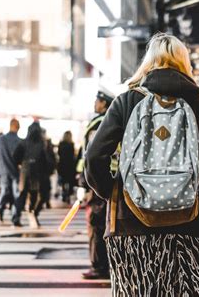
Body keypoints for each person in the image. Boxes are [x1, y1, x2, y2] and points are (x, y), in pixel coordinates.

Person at [84, 33, 199, 296]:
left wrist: (114, 191)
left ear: (148, 62)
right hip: (187, 220)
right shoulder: (197, 102)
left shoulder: (127, 101)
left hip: (131, 222)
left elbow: (94, 156)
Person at [76, 87, 114, 280]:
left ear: (104, 103)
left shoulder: (100, 124)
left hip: (97, 181)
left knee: (96, 223)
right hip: (105, 178)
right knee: (103, 222)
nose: (95, 103)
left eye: (97, 100)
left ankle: (99, 265)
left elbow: (92, 155)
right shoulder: (109, 122)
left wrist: (83, 182)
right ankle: (104, 264)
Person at [13, 121, 48, 229]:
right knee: (34, 194)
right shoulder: (42, 144)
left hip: (25, 170)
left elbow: (15, 156)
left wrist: (20, 164)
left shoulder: (23, 143)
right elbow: (45, 161)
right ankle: (32, 212)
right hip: (36, 172)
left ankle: (16, 218)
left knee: (22, 194)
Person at [0, 119, 22, 227]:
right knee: (16, 194)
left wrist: (1, 159)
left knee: (4, 192)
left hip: (3, 170)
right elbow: (21, 159)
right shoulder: (19, 141)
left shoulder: (0, 140)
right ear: (18, 127)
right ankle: (15, 218)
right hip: (15, 171)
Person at [57, 131, 76, 204]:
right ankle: (68, 194)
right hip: (70, 165)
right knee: (69, 181)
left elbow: (59, 153)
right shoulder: (71, 144)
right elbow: (73, 154)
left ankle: (64, 193)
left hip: (62, 164)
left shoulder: (61, 144)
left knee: (63, 180)